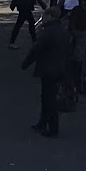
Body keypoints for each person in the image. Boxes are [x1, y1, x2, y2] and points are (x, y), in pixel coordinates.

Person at [22, 9, 73, 137]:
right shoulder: (63, 31)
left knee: (48, 99)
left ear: (50, 16)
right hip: (60, 68)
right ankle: (43, 123)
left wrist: (26, 64)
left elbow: (36, 49)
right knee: (49, 97)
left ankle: (52, 128)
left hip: (48, 68)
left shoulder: (47, 32)